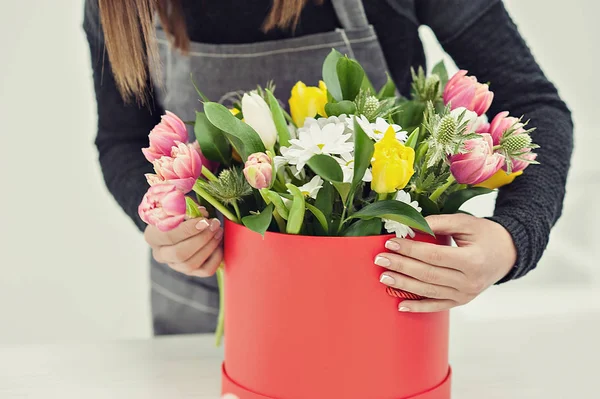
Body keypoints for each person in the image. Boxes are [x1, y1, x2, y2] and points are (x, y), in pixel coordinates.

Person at [83, 0, 573, 334]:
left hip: (379, 311)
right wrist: (163, 224)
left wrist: (511, 238)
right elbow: (123, 139)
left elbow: (534, 103)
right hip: (206, 312)